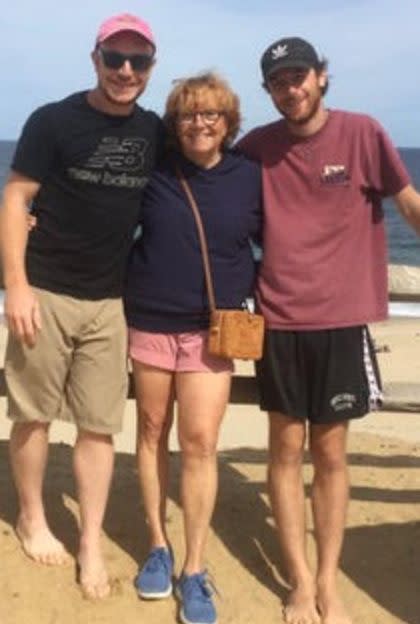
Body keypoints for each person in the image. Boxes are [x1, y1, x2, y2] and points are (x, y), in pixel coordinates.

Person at [238, 37, 420, 624]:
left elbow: (409, 203)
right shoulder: (256, 148)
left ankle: (328, 582)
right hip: (278, 322)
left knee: (332, 453)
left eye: (299, 76)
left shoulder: (363, 133)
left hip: (341, 324)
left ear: (320, 77)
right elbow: (201, 182)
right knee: (285, 451)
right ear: (268, 90)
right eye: (277, 82)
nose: (290, 89)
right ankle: (297, 582)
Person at [0, 13, 163, 599]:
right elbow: (16, 198)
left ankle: (90, 538)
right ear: (94, 58)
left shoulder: (153, 132)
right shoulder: (53, 120)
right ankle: (32, 517)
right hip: (43, 292)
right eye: (114, 58)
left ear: (150, 67)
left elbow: (189, 182)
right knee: (33, 414)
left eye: (137, 60)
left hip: (110, 300)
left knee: (99, 427)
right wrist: (15, 285)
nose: (125, 70)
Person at [124, 72, 261, 624]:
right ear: (173, 122)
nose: (199, 123)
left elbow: (284, 238)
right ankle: (158, 545)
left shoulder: (250, 176)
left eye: (211, 114)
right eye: (188, 114)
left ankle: (195, 568)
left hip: (214, 329)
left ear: (229, 122)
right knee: (153, 431)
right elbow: (101, 214)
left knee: (201, 441)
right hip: (151, 319)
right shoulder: (153, 171)